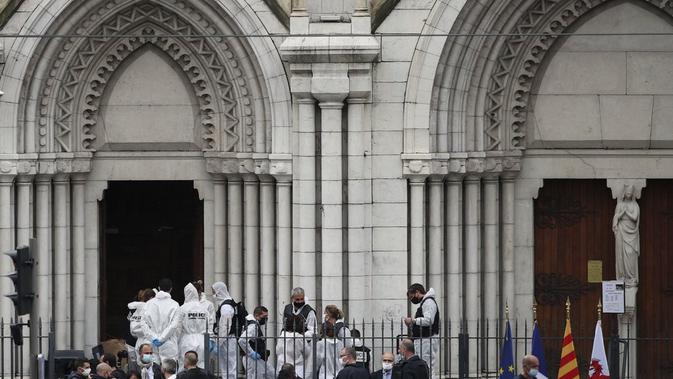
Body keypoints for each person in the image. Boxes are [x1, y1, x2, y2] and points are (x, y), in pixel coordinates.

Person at [159, 283, 215, 369]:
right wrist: (210, 339)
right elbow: (210, 325)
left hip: (186, 341)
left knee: (185, 366)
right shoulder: (204, 309)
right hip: (202, 340)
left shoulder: (183, 309)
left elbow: (178, 327)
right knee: (202, 365)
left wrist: (175, 341)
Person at [404, 283, 439, 378]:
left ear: (417, 292)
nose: (412, 300)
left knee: (426, 365)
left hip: (427, 339)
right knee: (423, 365)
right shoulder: (425, 302)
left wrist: (413, 320)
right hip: (423, 339)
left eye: (412, 297)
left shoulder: (428, 302)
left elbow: (429, 320)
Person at [142, 278, 180, 362]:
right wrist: (162, 339)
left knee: (148, 369)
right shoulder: (175, 304)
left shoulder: (148, 304)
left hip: (149, 343)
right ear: (171, 289)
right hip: (168, 343)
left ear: (159, 288)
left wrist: (153, 338)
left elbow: (143, 324)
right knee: (169, 371)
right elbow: (173, 326)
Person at [283, 288, 318, 379]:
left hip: (303, 345)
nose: (300, 301)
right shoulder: (287, 308)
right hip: (288, 345)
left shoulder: (309, 311)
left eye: (301, 299)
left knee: (303, 372)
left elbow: (313, 331)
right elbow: (284, 326)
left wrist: (300, 336)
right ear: (292, 298)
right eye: (297, 299)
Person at [238, 306, 275, 379]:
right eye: (264, 316)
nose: (266, 319)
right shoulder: (253, 325)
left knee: (271, 373)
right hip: (252, 359)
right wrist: (251, 352)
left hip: (257, 358)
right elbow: (242, 340)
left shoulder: (251, 322)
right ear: (257, 315)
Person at [212, 281, 238, 378]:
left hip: (227, 339)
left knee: (229, 366)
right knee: (226, 366)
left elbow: (225, 327)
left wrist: (219, 342)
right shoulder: (227, 303)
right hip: (227, 339)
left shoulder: (226, 307)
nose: (213, 294)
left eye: (214, 291)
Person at [128, 289, 156, 361]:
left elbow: (130, 320)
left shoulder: (135, 309)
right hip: (147, 341)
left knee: (139, 364)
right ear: (151, 298)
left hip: (137, 342)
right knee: (147, 363)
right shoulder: (150, 309)